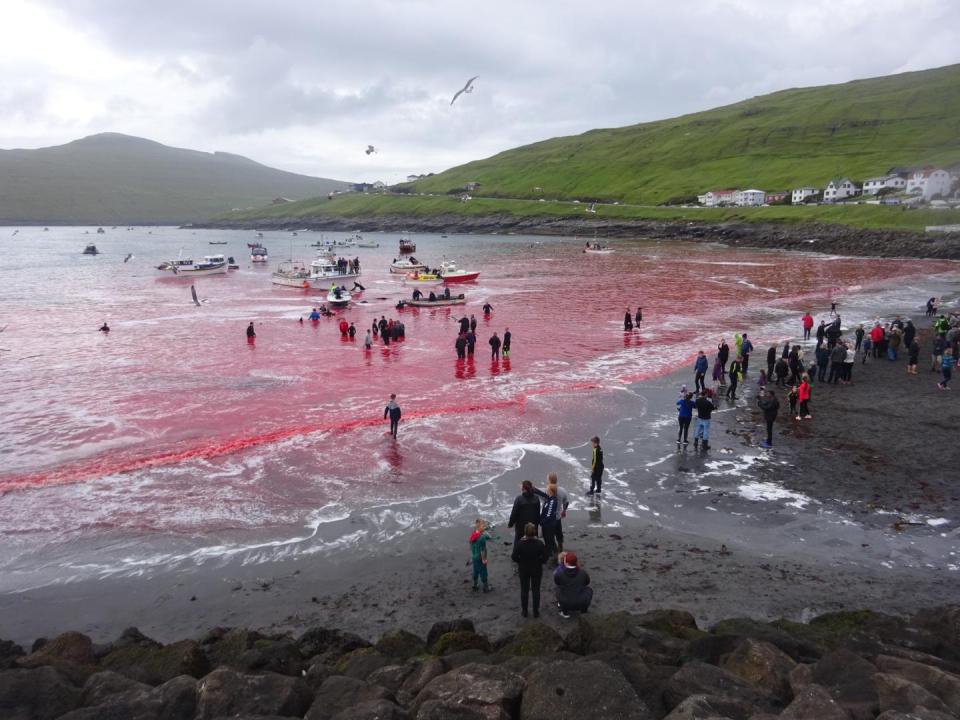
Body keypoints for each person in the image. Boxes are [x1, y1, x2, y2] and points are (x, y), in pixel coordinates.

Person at [512, 522, 547, 617]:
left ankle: (524, 611)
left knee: (524, 590)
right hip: (536, 569)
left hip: (524, 569)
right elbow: (545, 557)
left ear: (525, 532)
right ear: (535, 532)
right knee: (536, 590)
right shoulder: (539, 544)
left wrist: (520, 561)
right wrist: (539, 561)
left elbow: (514, 557)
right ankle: (536, 611)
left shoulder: (520, 544)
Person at [554, 551, 592, 618]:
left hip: (566, 602)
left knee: (558, 589)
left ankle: (564, 612)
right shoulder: (583, 573)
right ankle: (584, 610)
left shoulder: (559, 574)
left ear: (566, 562)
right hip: (581, 602)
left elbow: (557, 583)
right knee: (588, 589)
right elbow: (587, 582)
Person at [508, 481, 541, 550]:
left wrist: (510, 523)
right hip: (533, 524)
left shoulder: (519, 499)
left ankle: (516, 552)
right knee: (534, 540)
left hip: (521, 525)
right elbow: (538, 512)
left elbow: (514, 512)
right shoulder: (536, 498)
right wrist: (537, 523)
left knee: (518, 539)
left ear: (523, 488)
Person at [469, 518, 492, 593]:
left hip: (474, 557)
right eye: (483, 526)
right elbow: (483, 550)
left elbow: (487, 536)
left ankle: (475, 585)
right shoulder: (481, 538)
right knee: (483, 572)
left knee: (475, 571)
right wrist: (484, 559)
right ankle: (486, 587)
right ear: (479, 527)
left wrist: (484, 533)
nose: (485, 527)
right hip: (480, 558)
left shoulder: (473, 535)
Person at [539, 485, 560, 560]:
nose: (546, 490)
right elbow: (542, 494)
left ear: (551, 491)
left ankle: (553, 555)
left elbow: (549, 514)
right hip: (546, 524)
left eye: (547, 489)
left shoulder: (553, 501)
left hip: (549, 525)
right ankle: (553, 554)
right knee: (548, 540)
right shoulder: (549, 499)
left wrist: (541, 522)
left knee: (549, 540)